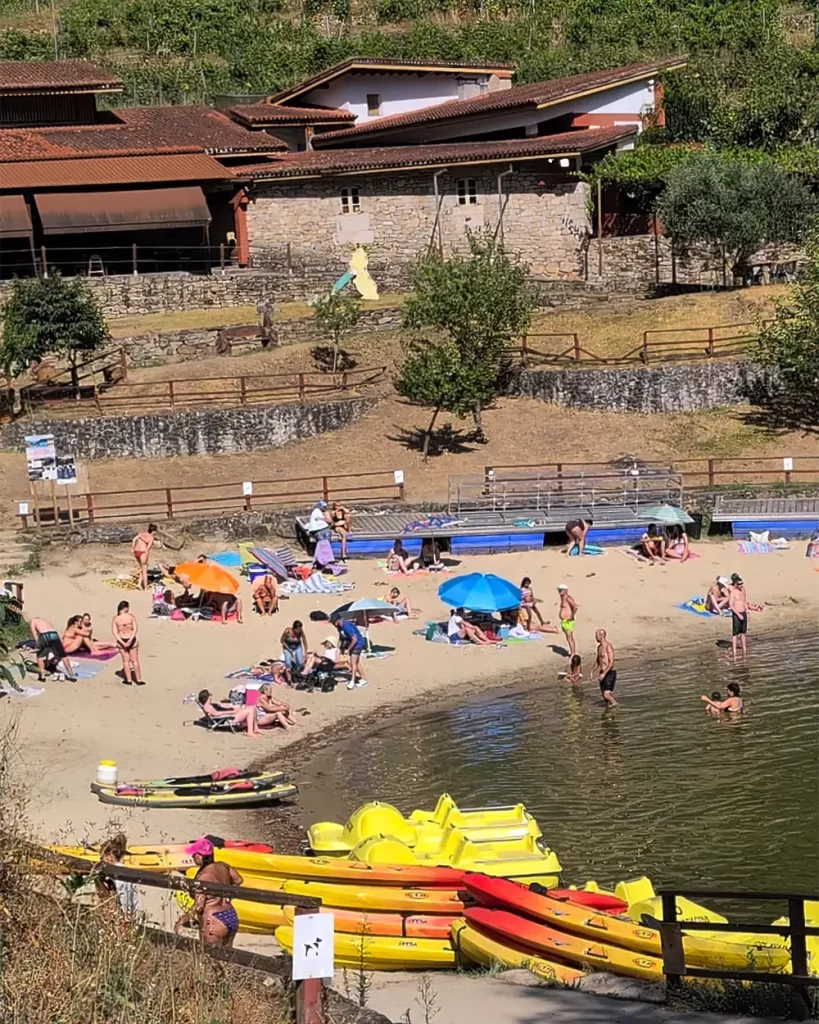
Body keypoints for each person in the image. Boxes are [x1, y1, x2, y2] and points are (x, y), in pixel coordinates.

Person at [174, 837, 243, 947]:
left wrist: (181, 921)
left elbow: (199, 906)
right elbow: (239, 880)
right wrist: (225, 894)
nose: (192, 856)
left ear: (201, 855)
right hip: (230, 914)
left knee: (209, 957)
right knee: (228, 957)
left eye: (194, 854)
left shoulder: (203, 877)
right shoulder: (223, 866)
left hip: (213, 919)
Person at [197, 689, 263, 736]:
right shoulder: (207, 706)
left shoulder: (210, 705)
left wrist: (232, 707)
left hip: (229, 715)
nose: (211, 696)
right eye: (209, 695)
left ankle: (256, 729)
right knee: (250, 710)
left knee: (252, 707)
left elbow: (220, 707)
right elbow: (217, 714)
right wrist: (231, 712)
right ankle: (250, 732)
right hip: (228, 718)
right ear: (205, 698)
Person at [29, 616, 76, 681]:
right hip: (54, 634)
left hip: (44, 634)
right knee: (63, 656)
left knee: (40, 656)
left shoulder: (33, 620)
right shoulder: (46, 621)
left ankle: (42, 676)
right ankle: (71, 675)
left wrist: (38, 642)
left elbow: (33, 631)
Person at [112, 600, 144, 686]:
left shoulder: (116, 619)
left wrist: (122, 642)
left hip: (122, 639)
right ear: (126, 608)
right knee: (135, 661)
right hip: (131, 639)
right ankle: (139, 679)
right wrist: (130, 640)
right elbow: (135, 629)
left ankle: (129, 680)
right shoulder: (130, 617)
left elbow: (115, 632)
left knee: (126, 661)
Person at [336, 616, 368, 690]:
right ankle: (363, 679)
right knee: (356, 663)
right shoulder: (341, 626)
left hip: (358, 644)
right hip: (355, 644)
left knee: (353, 663)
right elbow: (342, 638)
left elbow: (354, 639)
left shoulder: (346, 626)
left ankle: (352, 681)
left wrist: (348, 649)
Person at [593, 628, 617, 706]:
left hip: (610, 673)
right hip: (602, 672)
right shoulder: (599, 648)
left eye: (596, 636)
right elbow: (598, 661)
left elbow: (611, 663)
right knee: (604, 696)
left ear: (601, 636)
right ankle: (608, 710)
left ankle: (616, 705)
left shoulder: (608, 646)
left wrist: (604, 673)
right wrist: (592, 671)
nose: (595, 637)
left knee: (606, 694)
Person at [728, 573, 749, 659]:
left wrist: (746, 608)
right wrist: (738, 614)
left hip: (743, 612)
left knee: (743, 633)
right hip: (737, 614)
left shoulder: (743, 590)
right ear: (736, 585)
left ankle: (744, 649)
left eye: (742, 583)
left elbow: (744, 599)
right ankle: (734, 651)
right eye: (739, 584)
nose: (741, 585)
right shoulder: (733, 593)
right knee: (735, 633)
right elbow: (731, 605)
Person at [132, 524, 158, 591]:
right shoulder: (151, 538)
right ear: (154, 531)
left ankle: (139, 583)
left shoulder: (142, 534)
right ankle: (145, 588)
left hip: (136, 551)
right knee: (144, 570)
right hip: (143, 552)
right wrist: (146, 557)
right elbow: (147, 549)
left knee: (141, 568)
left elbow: (134, 539)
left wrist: (132, 548)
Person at [557, 584, 578, 657]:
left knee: (570, 637)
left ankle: (573, 653)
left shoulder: (568, 598)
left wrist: (571, 616)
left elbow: (575, 606)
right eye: (559, 590)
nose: (559, 591)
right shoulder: (562, 598)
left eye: (561, 590)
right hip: (564, 621)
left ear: (565, 590)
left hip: (568, 621)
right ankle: (572, 652)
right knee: (568, 637)